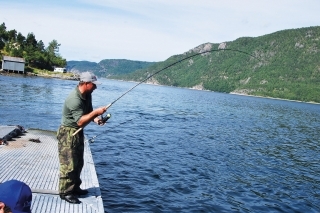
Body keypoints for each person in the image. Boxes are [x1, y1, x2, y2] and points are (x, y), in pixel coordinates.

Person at [57, 71, 107, 204]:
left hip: (78, 132)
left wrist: (97, 119)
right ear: (85, 83)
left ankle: (75, 187)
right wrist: (96, 112)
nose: (95, 87)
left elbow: (88, 113)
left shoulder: (87, 95)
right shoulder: (74, 98)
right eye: (93, 84)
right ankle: (65, 192)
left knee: (79, 162)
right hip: (68, 134)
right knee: (69, 164)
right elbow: (80, 121)